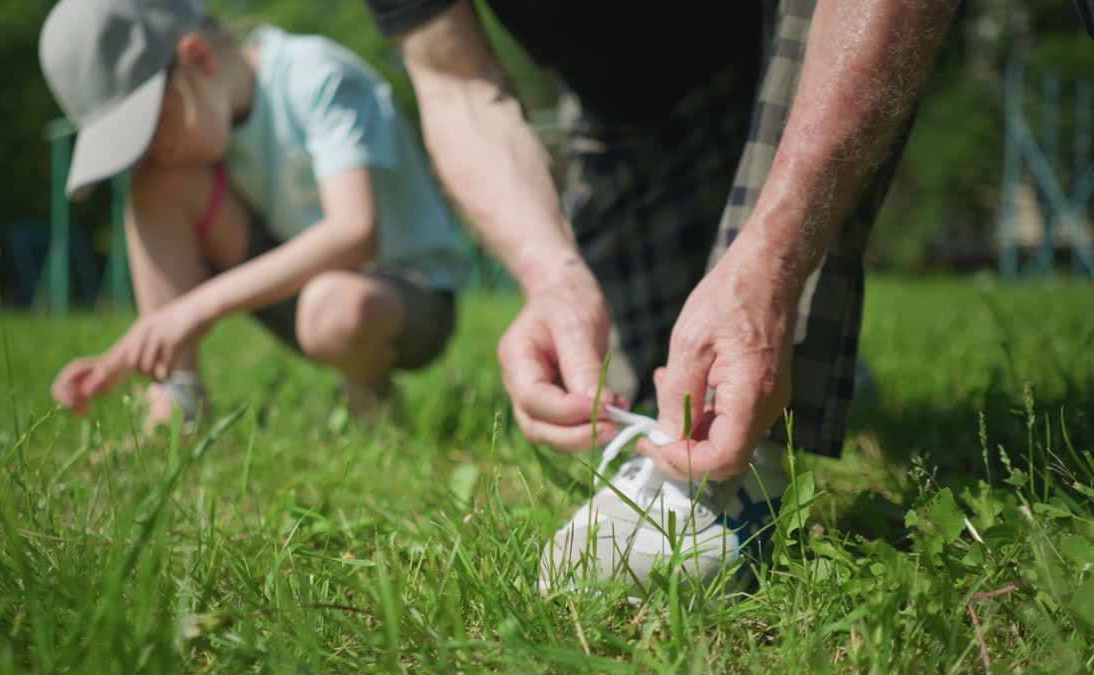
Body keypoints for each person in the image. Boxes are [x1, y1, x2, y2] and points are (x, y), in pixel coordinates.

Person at [363, 0, 961, 593]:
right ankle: (832, 374)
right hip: (635, 116)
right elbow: (454, 81)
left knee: (728, 384)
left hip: (804, 42)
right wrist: (551, 277)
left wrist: (768, 270)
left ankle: (769, 435)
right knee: (654, 378)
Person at [38, 0, 469, 428]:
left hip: (401, 299)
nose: (151, 152)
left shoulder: (314, 75)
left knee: (333, 307)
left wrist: (193, 308)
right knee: (158, 184)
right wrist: (132, 351)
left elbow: (354, 232)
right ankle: (176, 398)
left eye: (151, 129)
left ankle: (370, 392)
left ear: (199, 59)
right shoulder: (199, 132)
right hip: (299, 296)